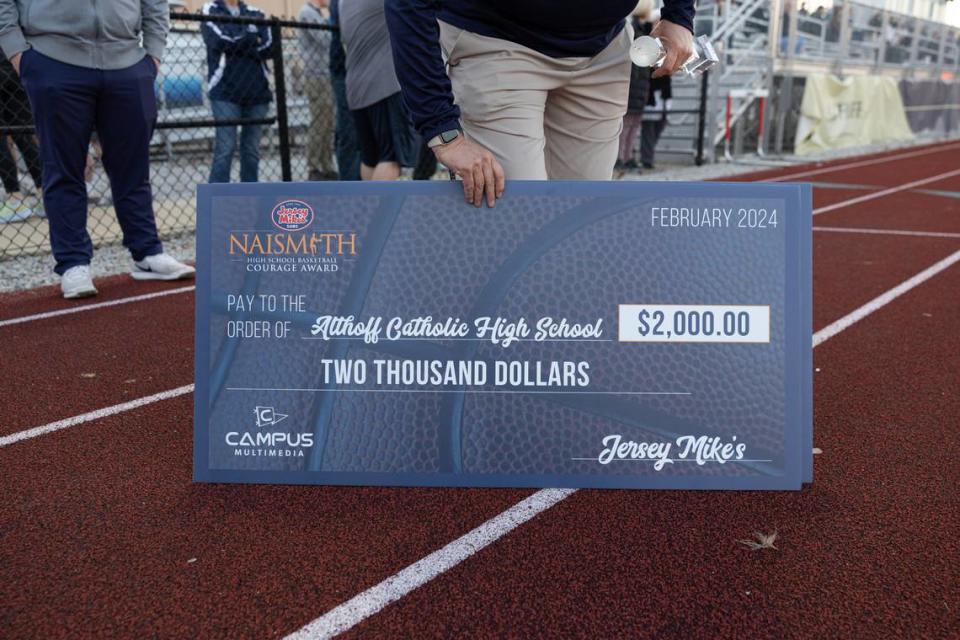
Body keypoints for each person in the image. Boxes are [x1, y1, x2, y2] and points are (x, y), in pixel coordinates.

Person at [385, 0, 695, 207]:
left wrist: (679, 14)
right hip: (496, 40)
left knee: (579, 217)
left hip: (602, 47)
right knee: (513, 217)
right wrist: (443, 134)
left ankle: (564, 306)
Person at [0, 0, 194, 298]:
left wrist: (152, 55)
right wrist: (18, 53)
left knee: (133, 167)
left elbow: (155, 3)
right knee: (63, 167)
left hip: (129, 62)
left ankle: (147, 252)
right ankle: (73, 262)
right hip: (52, 60)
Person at [340, 0, 418, 181]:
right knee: (391, 158)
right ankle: (380, 210)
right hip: (385, 85)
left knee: (370, 158)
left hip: (356, 88)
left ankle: (369, 207)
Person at [201, 0, 273, 183]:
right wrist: (251, 39)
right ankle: (217, 200)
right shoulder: (210, 10)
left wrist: (237, 40)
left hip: (257, 91)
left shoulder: (256, 13)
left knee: (251, 151)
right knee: (225, 149)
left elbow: (270, 46)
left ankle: (249, 199)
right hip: (225, 91)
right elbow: (218, 41)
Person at [298, 0, 338, 181]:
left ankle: (326, 164)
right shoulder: (307, 13)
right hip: (315, 76)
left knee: (328, 123)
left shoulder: (317, 14)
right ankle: (313, 166)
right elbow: (325, 39)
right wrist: (333, 20)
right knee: (319, 122)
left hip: (324, 73)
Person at [0, 56, 42, 222]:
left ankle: (15, 199)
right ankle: (45, 194)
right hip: (13, 66)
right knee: (24, 135)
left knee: (2, 138)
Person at [616, 0, 653, 173]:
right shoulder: (637, 33)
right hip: (635, 87)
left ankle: (626, 156)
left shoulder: (642, 32)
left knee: (632, 125)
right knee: (628, 125)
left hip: (639, 86)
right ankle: (622, 156)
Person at [328, 0, 361, 180]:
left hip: (364, 70)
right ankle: (349, 183)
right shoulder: (340, 3)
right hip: (344, 70)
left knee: (365, 131)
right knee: (348, 131)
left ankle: (362, 182)